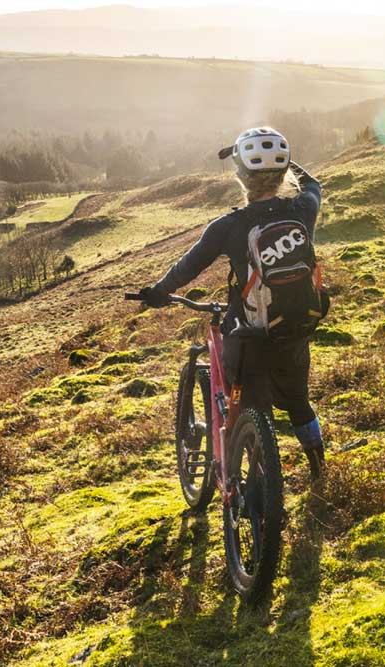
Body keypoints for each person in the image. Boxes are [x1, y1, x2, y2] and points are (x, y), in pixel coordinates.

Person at [139, 127, 326, 480]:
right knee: (299, 402)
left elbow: (186, 268)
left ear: (239, 175)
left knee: (252, 411)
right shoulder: (303, 209)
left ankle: (258, 485)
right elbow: (313, 183)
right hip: (295, 326)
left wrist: (158, 292)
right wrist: (283, 160)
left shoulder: (228, 226)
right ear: (285, 173)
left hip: (249, 335)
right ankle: (319, 470)